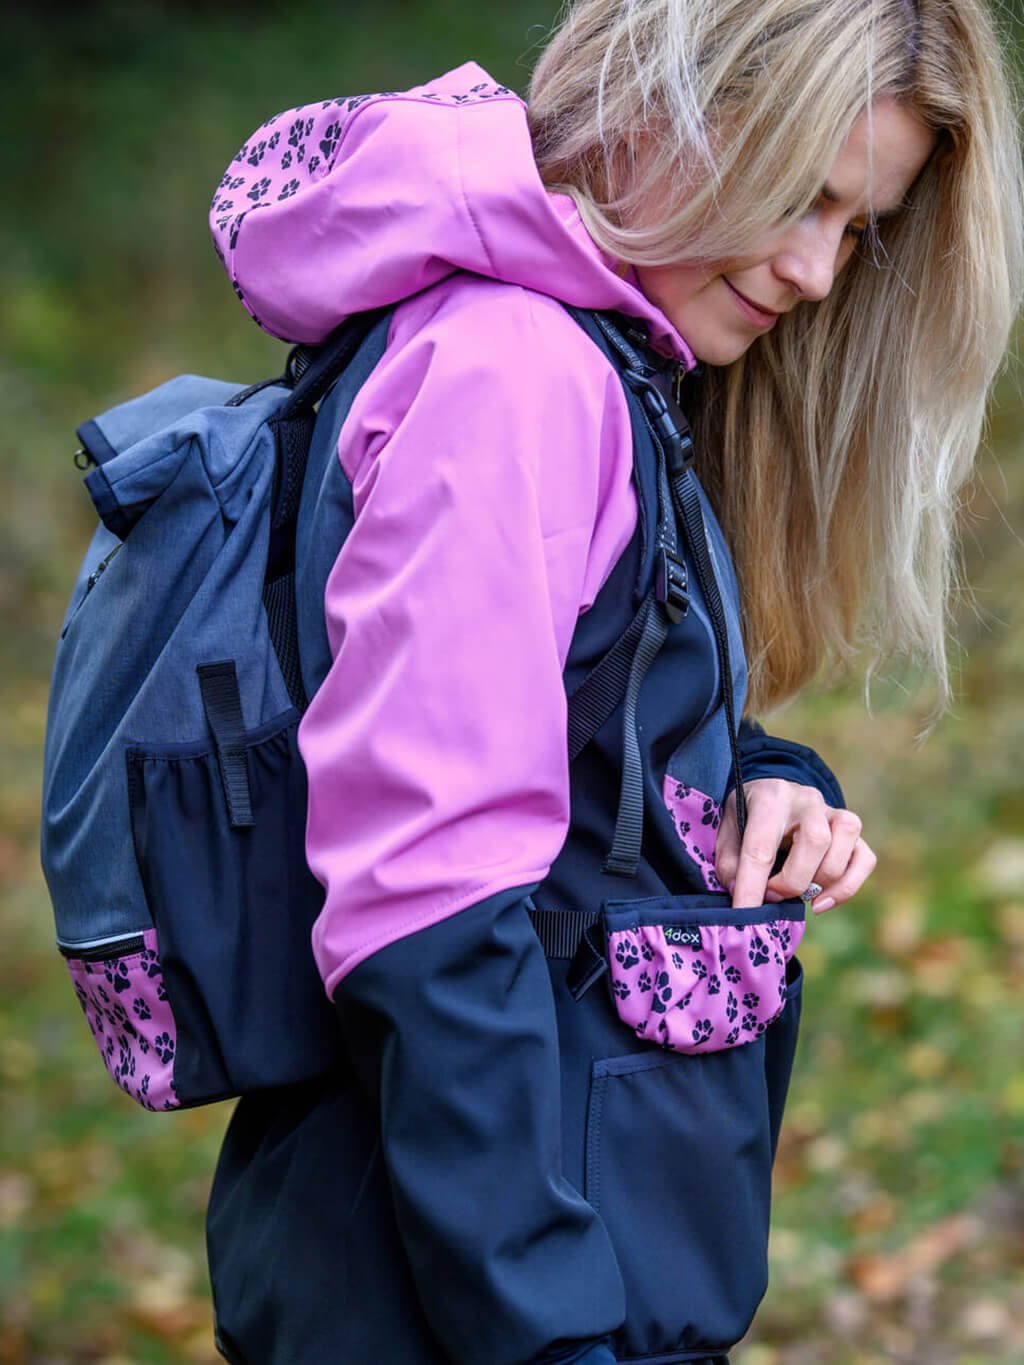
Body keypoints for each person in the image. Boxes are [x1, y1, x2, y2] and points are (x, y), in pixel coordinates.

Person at [203, 1, 1023, 1361]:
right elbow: (426, 905)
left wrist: (760, 779)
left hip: (528, 1253)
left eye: (856, 227)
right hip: (459, 1290)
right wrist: (547, 1331)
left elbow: (574, 738)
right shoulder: (517, 373)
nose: (820, 272)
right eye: (801, 199)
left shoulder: (599, 362)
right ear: (669, 108)